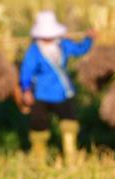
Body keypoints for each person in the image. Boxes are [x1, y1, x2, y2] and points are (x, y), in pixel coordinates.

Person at [18, 10, 93, 163]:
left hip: (62, 92)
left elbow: (80, 49)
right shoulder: (34, 51)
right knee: (39, 125)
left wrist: (89, 39)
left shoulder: (63, 45)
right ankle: (39, 158)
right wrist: (26, 90)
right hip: (41, 94)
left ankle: (70, 154)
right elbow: (26, 72)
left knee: (69, 122)